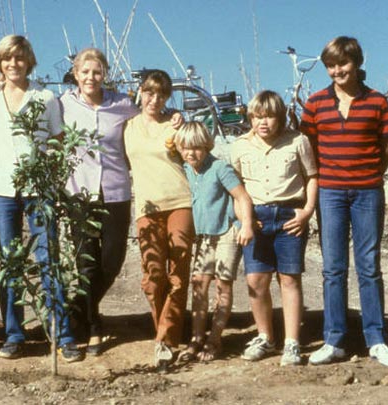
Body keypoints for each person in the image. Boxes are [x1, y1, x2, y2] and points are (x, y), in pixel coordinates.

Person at [60, 48, 179, 356]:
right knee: (86, 264)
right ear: (75, 74)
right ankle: (93, 324)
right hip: (79, 193)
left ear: (105, 75)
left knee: (111, 263)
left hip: (115, 193)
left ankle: (73, 314)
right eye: (85, 72)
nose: (91, 77)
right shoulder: (63, 105)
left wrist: (173, 116)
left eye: (97, 72)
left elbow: (149, 118)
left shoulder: (121, 104)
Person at [0, 35, 82, 362]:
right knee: (11, 263)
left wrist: (52, 176)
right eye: (7, 59)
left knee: (48, 259)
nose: (13, 65)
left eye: (19, 58)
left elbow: (59, 140)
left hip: (40, 190)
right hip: (3, 191)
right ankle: (14, 333)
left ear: (29, 61)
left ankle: (61, 335)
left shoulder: (46, 97)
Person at [300, 36, 388, 367]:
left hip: (368, 192)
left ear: (356, 63)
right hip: (329, 193)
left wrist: (369, 176)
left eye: (342, 64)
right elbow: (308, 149)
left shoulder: (377, 102)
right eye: (330, 65)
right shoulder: (315, 104)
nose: (336, 71)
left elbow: (387, 148)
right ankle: (334, 340)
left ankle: (376, 339)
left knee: (369, 266)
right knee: (333, 268)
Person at [231, 90, 318, 366]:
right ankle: (265, 337)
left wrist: (306, 212)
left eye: (269, 117)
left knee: (289, 278)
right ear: (251, 118)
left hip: (289, 217)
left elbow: (312, 177)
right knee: (256, 280)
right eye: (257, 117)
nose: (263, 123)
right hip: (254, 217)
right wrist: (245, 220)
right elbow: (235, 188)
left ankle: (291, 342)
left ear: (280, 118)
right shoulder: (239, 146)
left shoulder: (298, 141)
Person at [123, 69, 194, 370]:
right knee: (153, 277)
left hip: (180, 202)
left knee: (178, 274)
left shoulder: (176, 124)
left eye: (161, 94)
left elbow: (198, 149)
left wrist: (184, 120)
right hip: (147, 208)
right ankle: (167, 328)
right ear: (140, 91)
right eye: (150, 92)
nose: (154, 99)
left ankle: (165, 341)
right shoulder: (127, 126)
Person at [174, 121, 255, 363]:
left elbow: (242, 197)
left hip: (226, 232)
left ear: (207, 146)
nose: (192, 153)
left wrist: (247, 225)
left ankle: (215, 338)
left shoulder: (220, 168)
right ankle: (197, 337)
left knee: (223, 285)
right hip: (203, 237)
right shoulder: (185, 170)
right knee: (199, 284)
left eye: (197, 147)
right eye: (186, 148)